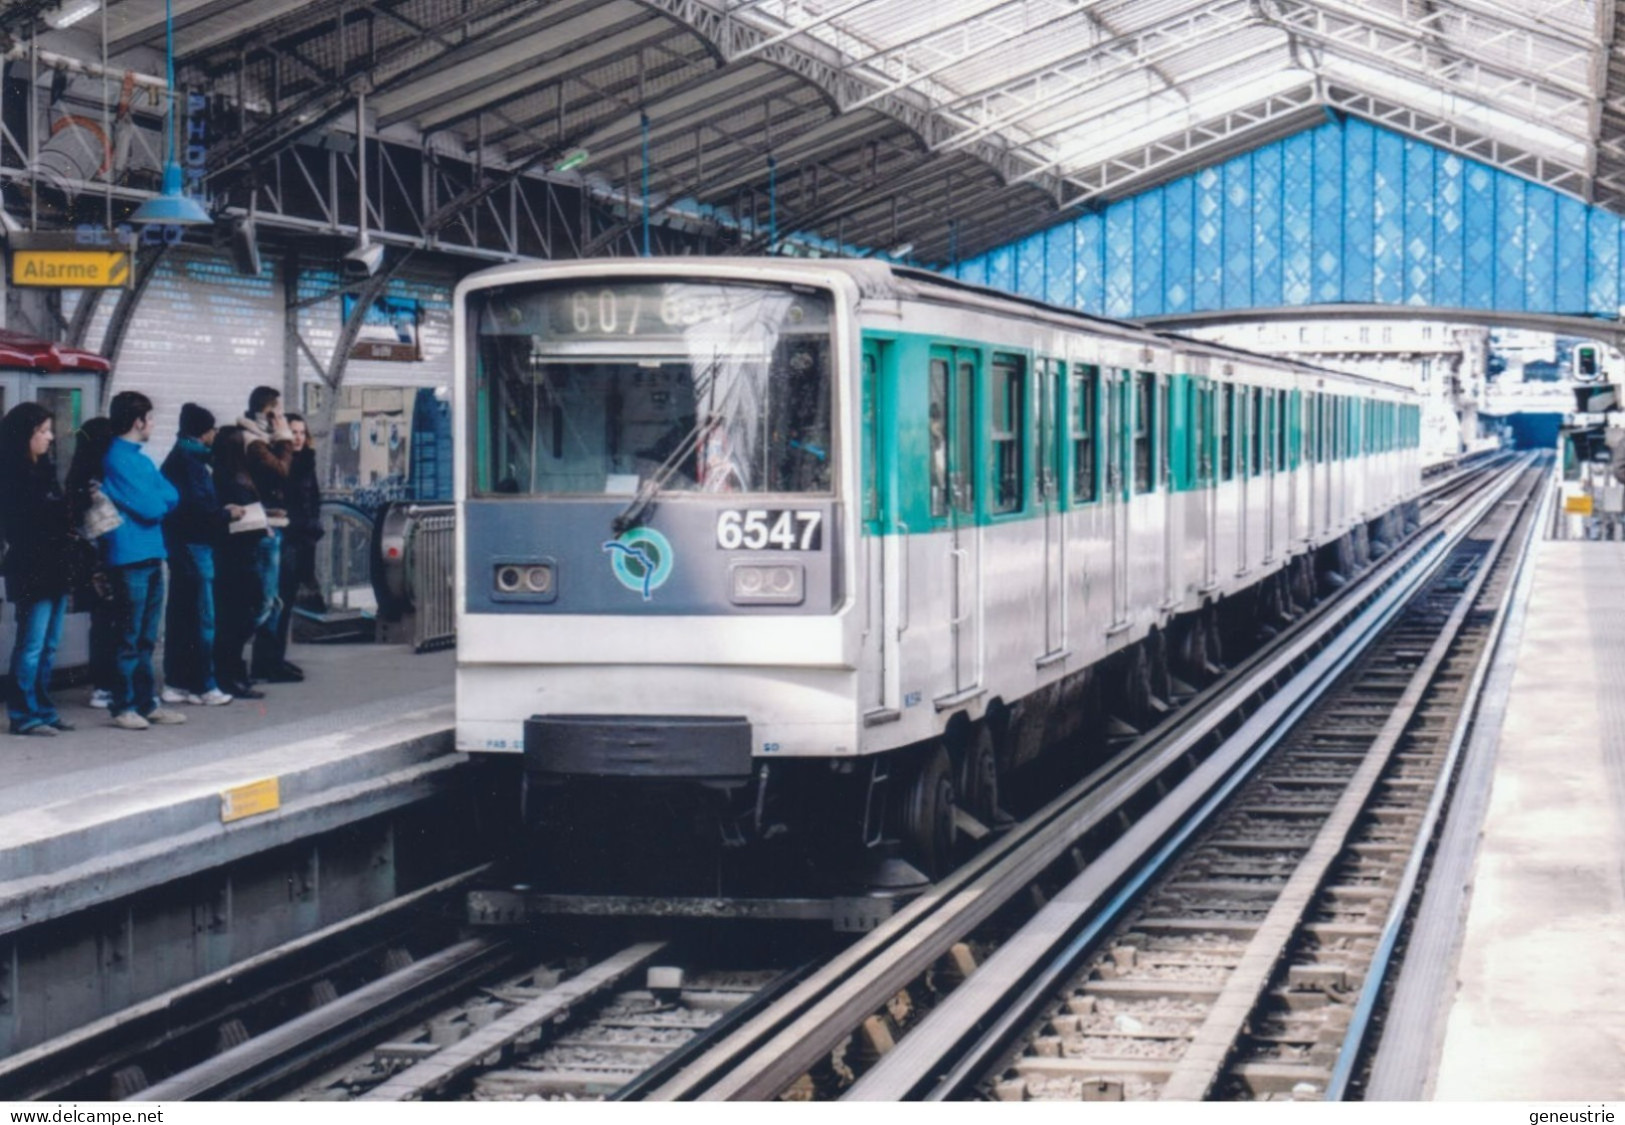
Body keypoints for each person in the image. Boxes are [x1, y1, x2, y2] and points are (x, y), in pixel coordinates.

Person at [101, 391, 184, 730]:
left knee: (146, 636)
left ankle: (145, 702)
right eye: (150, 419)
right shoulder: (117, 458)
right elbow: (157, 504)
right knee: (130, 635)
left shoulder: (139, 458)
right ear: (138, 421)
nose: (152, 425)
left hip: (147, 551)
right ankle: (124, 705)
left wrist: (153, 501)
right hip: (130, 555)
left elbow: (169, 495)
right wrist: (155, 502)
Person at [0, 403, 77, 736]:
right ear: (25, 435)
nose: (49, 438)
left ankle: (43, 708)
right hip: (32, 567)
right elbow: (22, 525)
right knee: (31, 644)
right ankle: (23, 713)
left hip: (54, 566)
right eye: (43, 431)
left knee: (48, 644)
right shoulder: (11, 476)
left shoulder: (44, 469)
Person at [159, 404, 238, 707]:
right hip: (195, 545)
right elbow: (200, 510)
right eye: (213, 428)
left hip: (178, 545)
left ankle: (176, 682)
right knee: (203, 619)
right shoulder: (193, 461)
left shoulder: (177, 457)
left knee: (181, 615)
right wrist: (226, 513)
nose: (216, 434)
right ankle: (204, 685)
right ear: (204, 431)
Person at [238, 386, 298, 684]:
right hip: (262, 528)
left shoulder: (261, 440)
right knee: (265, 601)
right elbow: (280, 472)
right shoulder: (253, 442)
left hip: (271, 524)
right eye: (279, 411)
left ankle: (264, 661)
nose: (283, 418)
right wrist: (284, 436)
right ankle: (235, 654)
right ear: (269, 412)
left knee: (272, 601)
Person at [65, 417, 118, 709]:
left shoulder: (77, 476)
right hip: (107, 558)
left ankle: (102, 685)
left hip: (91, 561)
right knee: (114, 623)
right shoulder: (100, 480)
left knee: (101, 624)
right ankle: (108, 684)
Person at [265, 412, 324, 669]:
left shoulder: (306, 462)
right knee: (279, 601)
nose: (298, 437)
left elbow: (314, 500)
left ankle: (277, 656)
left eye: (301, 432)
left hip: (301, 539)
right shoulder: (284, 464)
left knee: (286, 602)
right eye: (293, 432)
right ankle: (270, 659)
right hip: (288, 537)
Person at [211, 426, 266, 700]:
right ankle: (230, 673)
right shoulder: (230, 479)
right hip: (238, 555)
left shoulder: (226, 475)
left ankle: (233, 671)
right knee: (238, 617)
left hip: (239, 554)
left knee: (238, 616)